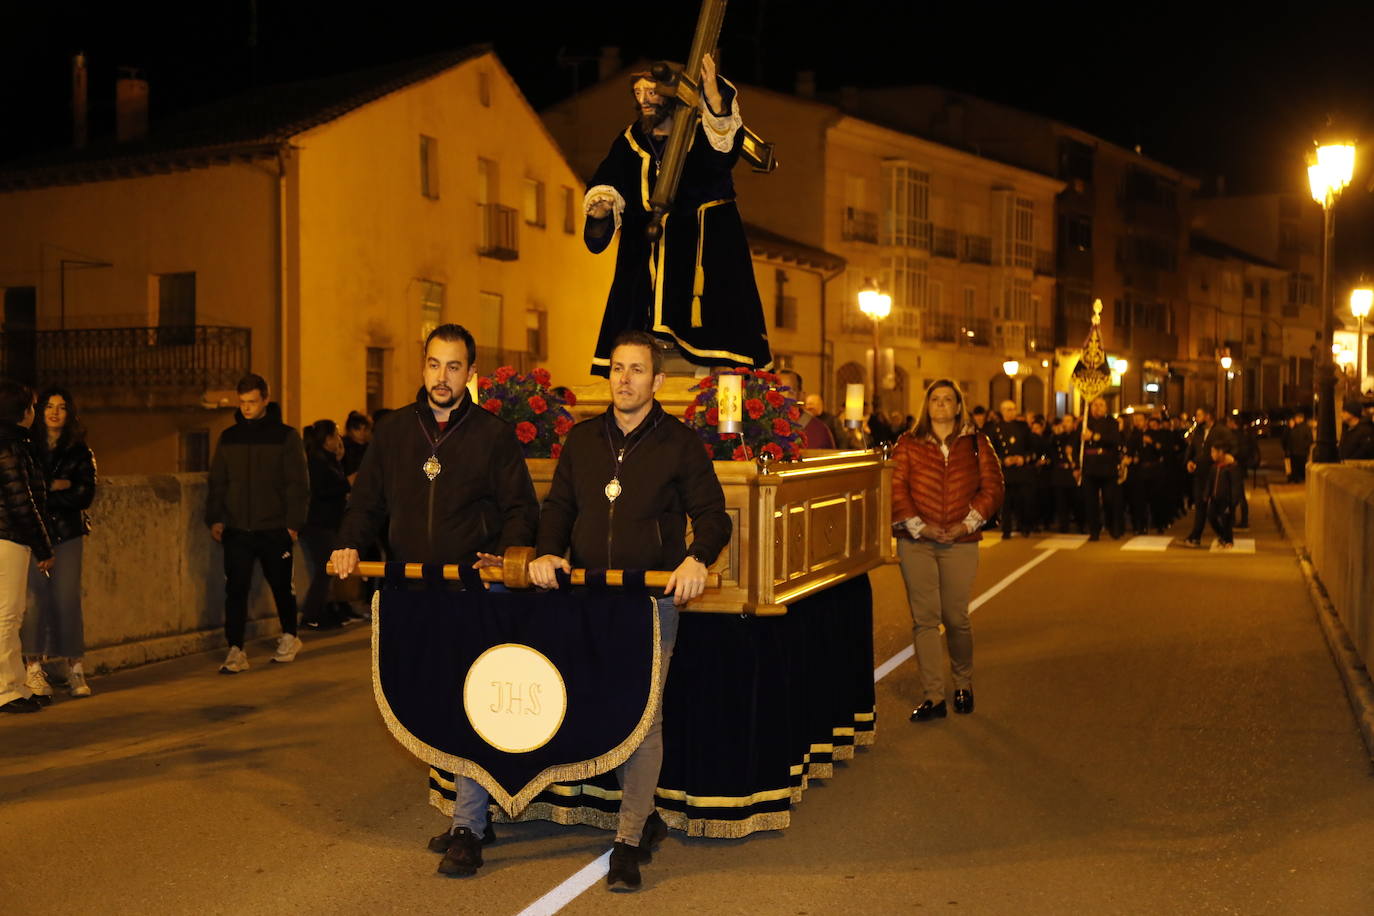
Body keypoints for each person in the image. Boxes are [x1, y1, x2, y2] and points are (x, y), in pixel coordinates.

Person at [331, 323, 540, 878]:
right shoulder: (395, 431)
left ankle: (468, 826)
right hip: (409, 592)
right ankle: (474, 814)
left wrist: (503, 557)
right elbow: (366, 501)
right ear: (422, 367)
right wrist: (349, 543)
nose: (441, 376)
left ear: (470, 374)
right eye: (433, 364)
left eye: (453, 366)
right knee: (436, 702)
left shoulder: (493, 435)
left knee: (471, 706)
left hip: (470, 594)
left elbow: (521, 508)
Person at [525, 330, 731, 890]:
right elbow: (559, 506)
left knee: (645, 717)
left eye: (637, 370)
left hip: (649, 605)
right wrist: (547, 551)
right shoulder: (582, 439)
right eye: (617, 368)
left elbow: (713, 515)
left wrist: (696, 558)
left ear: (658, 380)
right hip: (589, 600)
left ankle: (628, 839)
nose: (624, 379)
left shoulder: (680, 443)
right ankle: (647, 816)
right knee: (603, 709)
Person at [582, 54, 771, 377]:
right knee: (639, 315)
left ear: (672, 95)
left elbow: (724, 150)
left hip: (702, 240)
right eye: (638, 94)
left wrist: (713, 97)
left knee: (708, 315)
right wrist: (603, 203)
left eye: (651, 92)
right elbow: (609, 178)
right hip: (645, 245)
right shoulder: (630, 141)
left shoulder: (700, 133)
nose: (644, 100)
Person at [890, 379, 1004, 725]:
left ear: (958, 406)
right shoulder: (908, 443)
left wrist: (965, 525)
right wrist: (919, 526)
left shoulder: (976, 443)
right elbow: (896, 486)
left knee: (956, 618)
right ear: (927, 406)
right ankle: (934, 696)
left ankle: (963, 684)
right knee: (925, 620)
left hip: (960, 542)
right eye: (935, 399)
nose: (941, 404)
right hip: (916, 542)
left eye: (947, 399)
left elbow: (993, 487)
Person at [206, 374, 309, 673]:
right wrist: (215, 517)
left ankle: (290, 635)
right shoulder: (229, 437)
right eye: (242, 402)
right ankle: (235, 648)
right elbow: (218, 481)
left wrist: (293, 523)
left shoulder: (286, 436)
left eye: (252, 401)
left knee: (281, 586)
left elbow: (297, 483)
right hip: (238, 528)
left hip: (274, 527)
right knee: (236, 589)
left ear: (265, 399)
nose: (247, 407)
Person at [21, 388, 97, 701]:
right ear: (40, 412)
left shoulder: (79, 451)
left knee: (67, 601)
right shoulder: (28, 447)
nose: (54, 412)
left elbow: (85, 495)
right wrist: (57, 487)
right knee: (33, 600)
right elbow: (26, 491)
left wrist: (48, 491)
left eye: (62, 407)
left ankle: (74, 667)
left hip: (68, 533)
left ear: (69, 413)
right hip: (34, 533)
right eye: (49, 406)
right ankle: (33, 666)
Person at [0, 381, 53, 714]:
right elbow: (21, 501)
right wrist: (43, 545)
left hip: (7, 536)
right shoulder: (10, 446)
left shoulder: (14, 443)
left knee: (10, 614)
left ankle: (15, 684)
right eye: (31, 407)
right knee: (8, 614)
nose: (35, 412)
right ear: (20, 412)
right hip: (8, 538)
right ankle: (5, 689)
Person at [299, 420, 351, 630]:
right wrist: (346, 484)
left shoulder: (328, 459)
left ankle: (325, 610)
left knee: (329, 569)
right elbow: (320, 491)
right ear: (328, 438)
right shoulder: (317, 461)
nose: (339, 439)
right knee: (325, 569)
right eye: (336, 435)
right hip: (318, 524)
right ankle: (312, 614)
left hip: (328, 523)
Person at [1181, 406, 1234, 548]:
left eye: (1199, 415)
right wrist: (1189, 461)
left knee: (1217, 510)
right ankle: (1195, 536)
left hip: (1216, 474)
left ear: (1208, 416)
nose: (1197, 419)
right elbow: (1193, 448)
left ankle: (1225, 536)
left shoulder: (1221, 431)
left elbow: (1232, 447)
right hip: (1199, 473)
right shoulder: (1198, 431)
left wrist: (1228, 458)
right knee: (1200, 505)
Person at [1080, 397, 1124, 541]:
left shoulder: (1112, 422)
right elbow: (1077, 445)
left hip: (1107, 466)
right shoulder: (1085, 422)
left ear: (1106, 408)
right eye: (1095, 405)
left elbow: (1114, 440)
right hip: (1089, 467)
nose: (1097, 407)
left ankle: (1112, 526)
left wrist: (1094, 436)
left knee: (1109, 499)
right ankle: (1094, 530)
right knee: (1090, 501)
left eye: (1101, 405)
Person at [993, 399, 1034, 538]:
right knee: (1006, 502)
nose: (1010, 412)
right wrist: (1003, 460)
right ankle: (1006, 529)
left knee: (1023, 500)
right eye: (1007, 409)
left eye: (1013, 409)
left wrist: (1023, 458)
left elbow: (1031, 447)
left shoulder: (1023, 427)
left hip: (1021, 470)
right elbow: (991, 449)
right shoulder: (996, 428)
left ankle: (1025, 526)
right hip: (1005, 471)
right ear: (1002, 411)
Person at [777, 370, 835, 449]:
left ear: (801, 396)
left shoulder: (817, 431)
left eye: (790, 392)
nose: (783, 397)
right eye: (777, 390)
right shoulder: (763, 426)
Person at [1205, 443, 1243, 549]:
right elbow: (1210, 482)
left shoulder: (1230, 467)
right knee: (1211, 516)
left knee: (1226, 520)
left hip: (1226, 500)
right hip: (1214, 498)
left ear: (1220, 452)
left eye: (1213, 452)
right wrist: (1206, 494)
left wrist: (1234, 500)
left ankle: (1228, 540)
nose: (1211, 454)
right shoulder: (1214, 467)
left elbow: (1235, 484)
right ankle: (1222, 535)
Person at [342, 411, 371, 481]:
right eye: (357, 429)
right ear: (350, 430)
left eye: (365, 429)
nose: (362, 432)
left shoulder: (370, 447)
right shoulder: (343, 448)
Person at [1285, 411, 1312, 483]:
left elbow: (1310, 439)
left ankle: (1301, 478)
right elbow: (1288, 439)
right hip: (1294, 451)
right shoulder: (1293, 427)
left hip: (1302, 452)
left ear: (1301, 419)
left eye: (1296, 418)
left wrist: (1303, 446)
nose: (1295, 419)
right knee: (1294, 466)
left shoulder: (1306, 427)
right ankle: (1295, 479)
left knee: (1301, 466)